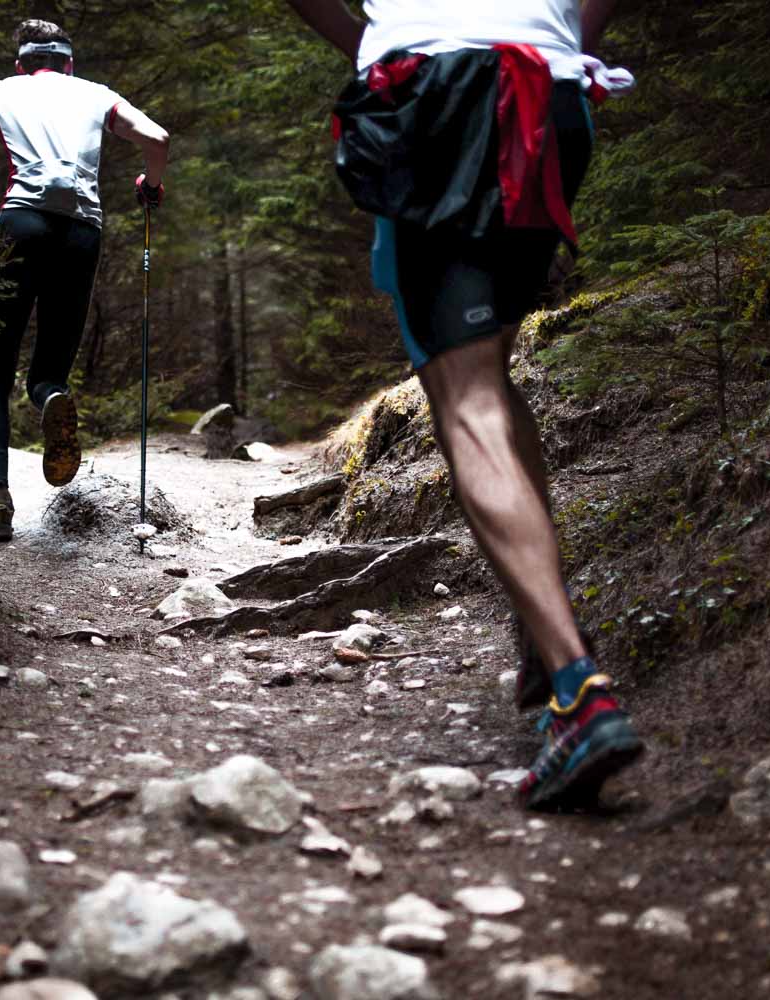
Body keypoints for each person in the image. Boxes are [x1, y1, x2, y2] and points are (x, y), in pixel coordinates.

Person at [284, 0, 643, 810]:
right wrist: (565, 50)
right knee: (494, 371)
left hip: (431, 90)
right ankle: (542, 632)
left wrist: (370, 43)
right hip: (551, 94)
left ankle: (578, 691)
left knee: (467, 397)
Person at [0, 19, 170, 542]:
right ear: (69, 64)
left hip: (21, 225)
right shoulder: (96, 95)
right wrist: (150, 185)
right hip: (82, 231)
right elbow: (157, 138)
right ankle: (50, 399)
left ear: (21, 64)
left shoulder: (0, 93)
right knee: (48, 373)